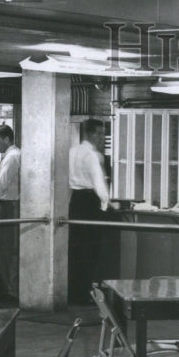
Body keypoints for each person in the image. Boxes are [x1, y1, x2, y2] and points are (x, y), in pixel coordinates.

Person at [68, 118, 112, 304]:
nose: (103, 137)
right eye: (100, 134)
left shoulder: (72, 152)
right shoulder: (91, 156)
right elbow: (99, 184)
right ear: (91, 134)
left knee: (76, 249)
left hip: (75, 201)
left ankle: (74, 291)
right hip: (90, 202)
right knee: (90, 249)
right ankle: (85, 293)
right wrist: (106, 205)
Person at [0, 124, 21, 302]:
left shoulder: (12, 156)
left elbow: (0, 185)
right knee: (7, 249)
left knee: (7, 248)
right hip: (8, 204)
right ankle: (10, 286)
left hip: (8, 206)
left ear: (7, 139)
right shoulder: (9, 155)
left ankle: (11, 289)